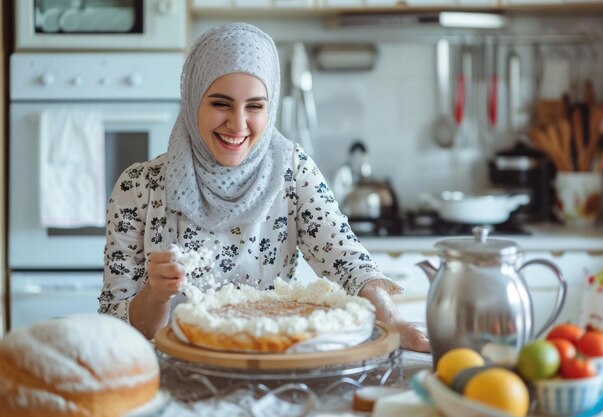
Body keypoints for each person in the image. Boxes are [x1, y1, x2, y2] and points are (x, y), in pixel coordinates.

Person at [98, 22, 430, 353]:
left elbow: (345, 259)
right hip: (175, 379)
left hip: (273, 368)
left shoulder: (292, 170)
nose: (238, 124)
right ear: (192, 98)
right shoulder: (139, 187)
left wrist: (393, 320)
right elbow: (115, 327)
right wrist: (156, 295)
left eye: (255, 106)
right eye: (220, 104)